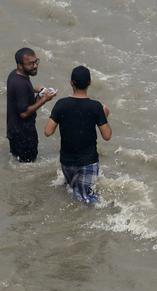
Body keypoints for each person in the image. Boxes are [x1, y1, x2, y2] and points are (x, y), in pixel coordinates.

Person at [43, 65, 111, 204]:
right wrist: (104, 116)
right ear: (90, 83)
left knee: (74, 191)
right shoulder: (96, 106)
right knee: (87, 200)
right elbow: (107, 135)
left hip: (67, 163)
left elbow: (47, 131)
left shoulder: (61, 104)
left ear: (71, 82)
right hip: (88, 162)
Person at [5, 47, 56, 162]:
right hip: (24, 135)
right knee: (28, 165)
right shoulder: (20, 84)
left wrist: (36, 90)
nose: (35, 66)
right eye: (30, 64)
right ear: (20, 65)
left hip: (13, 130)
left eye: (36, 61)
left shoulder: (14, 75)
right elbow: (24, 113)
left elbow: (20, 92)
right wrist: (45, 99)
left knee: (17, 161)